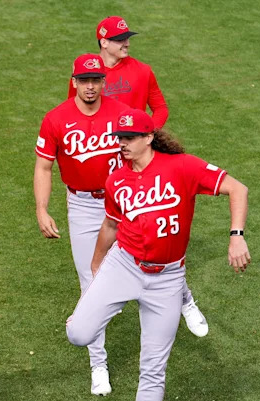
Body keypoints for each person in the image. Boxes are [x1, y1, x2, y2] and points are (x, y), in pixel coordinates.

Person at [65, 108, 250, 401]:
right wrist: (97, 264)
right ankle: (130, 301)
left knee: (154, 368)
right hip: (125, 265)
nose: (122, 144)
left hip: (166, 279)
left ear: (149, 137)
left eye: (130, 137)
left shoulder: (182, 167)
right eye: (119, 138)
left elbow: (237, 188)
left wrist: (236, 237)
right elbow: (111, 224)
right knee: (78, 333)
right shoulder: (116, 180)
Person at [67, 16, 209, 336]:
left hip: (138, 162)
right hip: (105, 163)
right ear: (103, 42)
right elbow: (77, 112)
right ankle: (100, 301)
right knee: (120, 237)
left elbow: (159, 107)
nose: (126, 43)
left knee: (151, 237)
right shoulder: (88, 76)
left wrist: (145, 135)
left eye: (127, 37)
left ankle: (184, 299)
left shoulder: (142, 71)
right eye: (119, 39)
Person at [34, 54, 127, 395]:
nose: (90, 86)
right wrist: (42, 209)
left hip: (125, 202)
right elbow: (44, 167)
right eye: (84, 80)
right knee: (90, 278)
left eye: (96, 80)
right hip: (84, 207)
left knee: (151, 267)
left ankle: (182, 303)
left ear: (104, 81)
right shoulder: (56, 119)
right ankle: (98, 363)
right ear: (73, 81)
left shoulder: (120, 114)